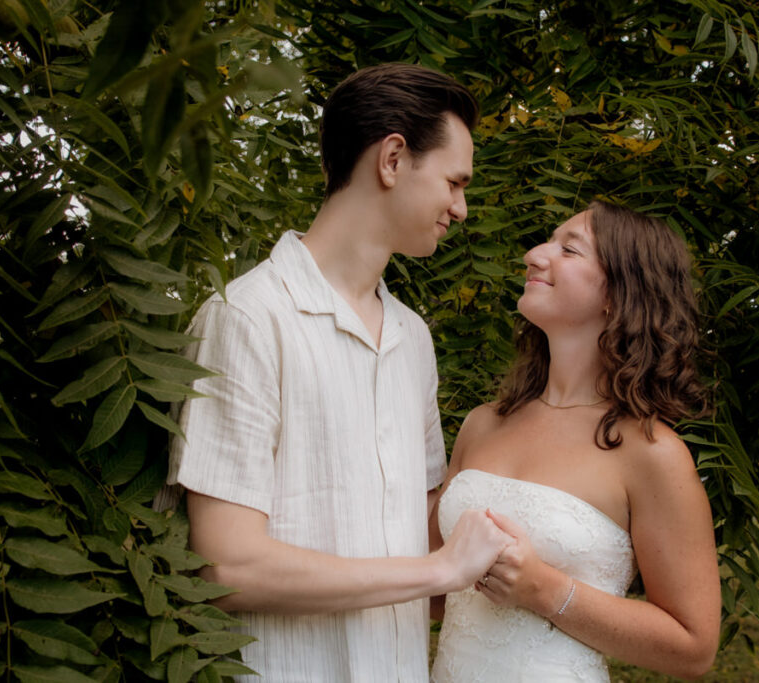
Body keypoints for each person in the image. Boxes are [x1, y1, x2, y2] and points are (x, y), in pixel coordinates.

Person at [159, 63, 511, 682]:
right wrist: (441, 570)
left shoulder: (414, 338)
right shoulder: (247, 317)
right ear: (393, 159)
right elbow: (225, 567)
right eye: (455, 183)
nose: (461, 209)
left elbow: (424, 535)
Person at [430, 201, 721, 681]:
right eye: (548, 241)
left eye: (569, 249)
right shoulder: (483, 423)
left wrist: (543, 589)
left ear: (619, 293)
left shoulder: (652, 453)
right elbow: (432, 592)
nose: (534, 255)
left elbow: (693, 647)